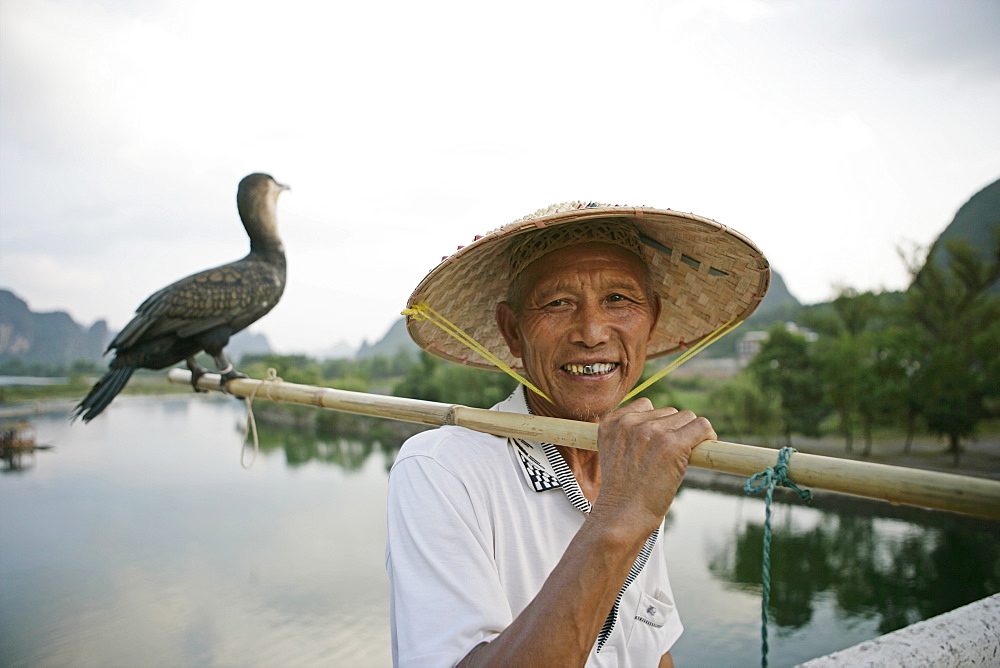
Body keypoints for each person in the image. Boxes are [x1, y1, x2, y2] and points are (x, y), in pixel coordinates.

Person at [387, 202, 770, 666]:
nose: (591, 332)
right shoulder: (441, 468)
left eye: (618, 300)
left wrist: (629, 505)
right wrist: (620, 518)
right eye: (557, 303)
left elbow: (650, 648)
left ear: (651, 319)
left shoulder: (632, 461)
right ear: (512, 331)